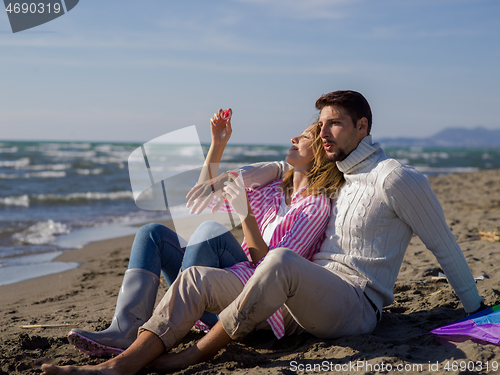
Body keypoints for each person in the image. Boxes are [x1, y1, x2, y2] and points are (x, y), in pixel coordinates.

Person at [41, 90, 484, 375]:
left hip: (357, 304)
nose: (323, 132)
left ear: (363, 127)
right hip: (300, 295)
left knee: (277, 258)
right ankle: (121, 363)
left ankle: (193, 352)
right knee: (195, 275)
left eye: (334, 124)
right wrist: (269, 165)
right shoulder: (340, 177)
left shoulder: (394, 177)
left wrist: (480, 311)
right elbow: (293, 169)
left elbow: (443, 245)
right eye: (321, 124)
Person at [66, 108, 341, 357]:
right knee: (153, 234)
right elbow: (202, 200)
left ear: (320, 153)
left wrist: (244, 215)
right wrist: (217, 145)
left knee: (210, 229)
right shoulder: (272, 191)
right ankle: (125, 329)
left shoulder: (314, 206)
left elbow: (272, 272)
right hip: (223, 283)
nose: (294, 138)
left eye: (304, 137)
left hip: (253, 303)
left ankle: (168, 322)